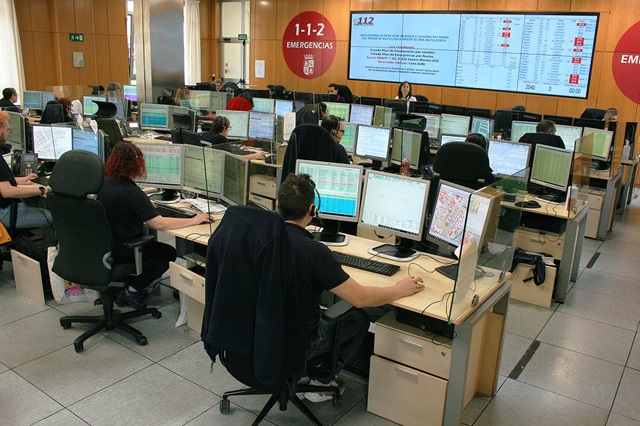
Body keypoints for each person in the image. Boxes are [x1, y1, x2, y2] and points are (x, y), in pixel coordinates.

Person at [277, 173, 424, 401]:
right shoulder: (313, 251)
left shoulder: (262, 238)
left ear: (278, 205)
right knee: (358, 319)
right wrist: (399, 289)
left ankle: (303, 374)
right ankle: (322, 382)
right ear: (312, 210)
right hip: (299, 342)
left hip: (262, 334)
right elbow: (360, 298)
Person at [97, 142, 211, 309]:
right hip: (124, 249)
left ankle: (125, 285)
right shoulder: (132, 192)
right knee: (167, 253)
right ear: (136, 164)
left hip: (103, 248)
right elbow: (159, 223)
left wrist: (144, 205)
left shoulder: (102, 184)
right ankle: (132, 289)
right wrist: (193, 220)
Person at [0, 111, 56, 247]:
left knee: (32, 202)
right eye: (8, 130)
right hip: (4, 212)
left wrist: (19, 180)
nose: (9, 134)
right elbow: (7, 191)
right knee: (53, 218)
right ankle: (46, 255)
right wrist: (41, 190)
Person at [200, 116, 266, 161]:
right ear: (225, 128)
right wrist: (254, 156)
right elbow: (232, 159)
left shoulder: (205, 134)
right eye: (229, 128)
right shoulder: (220, 138)